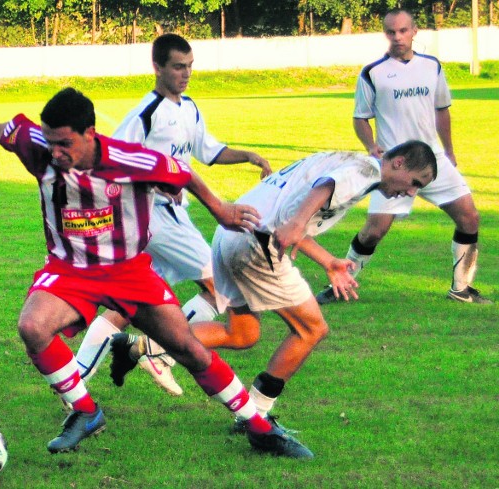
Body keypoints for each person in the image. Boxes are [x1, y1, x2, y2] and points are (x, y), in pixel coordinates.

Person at [0, 87, 309, 458]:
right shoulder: (39, 149)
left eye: (64, 143)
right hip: (69, 270)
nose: (55, 152)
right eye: (50, 142)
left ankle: (259, 427)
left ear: (90, 134)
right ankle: (86, 411)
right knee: (32, 326)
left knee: (188, 350)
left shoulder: (130, 160)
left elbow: (181, 172)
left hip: (128, 271)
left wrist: (220, 208)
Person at [124, 141, 434, 441]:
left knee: (242, 334)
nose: (411, 192)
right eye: (414, 182)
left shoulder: (348, 161)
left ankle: (151, 345)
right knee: (311, 329)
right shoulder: (366, 171)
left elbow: (290, 213)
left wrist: (327, 260)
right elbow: (324, 187)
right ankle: (257, 413)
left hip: (230, 236)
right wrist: (299, 224)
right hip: (257, 244)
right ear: (398, 162)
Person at [74, 33, 272, 396]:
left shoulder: (190, 108)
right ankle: (159, 353)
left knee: (130, 301)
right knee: (219, 287)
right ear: (157, 67)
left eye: (190, 66)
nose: (186, 74)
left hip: (167, 217)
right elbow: (110, 160)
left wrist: (250, 156)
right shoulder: (145, 116)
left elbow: (210, 151)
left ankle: (75, 378)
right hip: (153, 217)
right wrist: (154, 184)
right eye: (178, 67)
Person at [315, 8, 492, 305]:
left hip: (433, 160)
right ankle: (340, 286)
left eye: (403, 30)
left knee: (469, 217)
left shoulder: (432, 67)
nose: (397, 37)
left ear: (414, 31)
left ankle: (461, 289)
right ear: (385, 34)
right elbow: (360, 117)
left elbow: (442, 110)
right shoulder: (373, 72)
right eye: (391, 32)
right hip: (397, 168)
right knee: (374, 232)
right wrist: (372, 146)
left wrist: (448, 151)